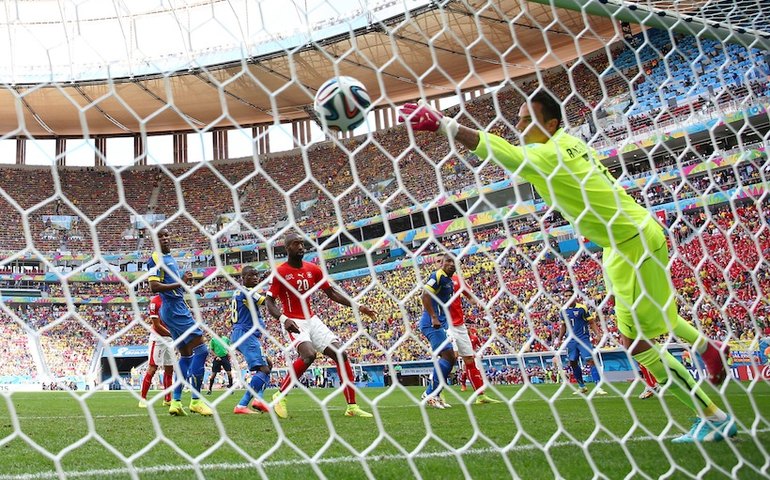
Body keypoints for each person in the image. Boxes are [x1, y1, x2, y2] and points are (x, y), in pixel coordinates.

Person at [399, 91, 734, 443]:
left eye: (527, 120)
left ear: (551, 125)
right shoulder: (569, 143)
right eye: (519, 118)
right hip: (620, 242)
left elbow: (501, 151)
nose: (518, 125)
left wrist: (445, 125)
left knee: (636, 341)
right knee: (643, 328)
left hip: (632, 242)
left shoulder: (547, 152)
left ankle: (711, 409)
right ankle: (706, 360)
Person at [265, 231, 377, 419]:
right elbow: (269, 303)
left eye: (302, 243)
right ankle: (280, 395)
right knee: (309, 355)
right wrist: (284, 320)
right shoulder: (280, 272)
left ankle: (352, 406)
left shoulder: (313, 269)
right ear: (287, 248)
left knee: (341, 354)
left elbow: (331, 293)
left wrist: (358, 306)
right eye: (295, 244)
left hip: (312, 319)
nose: (301, 247)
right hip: (294, 321)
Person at [146, 228, 213, 416]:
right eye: (160, 236)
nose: (165, 238)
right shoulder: (155, 259)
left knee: (186, 356)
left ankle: (175, 401)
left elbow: (175, 287)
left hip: (174, 308)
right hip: (174, 310)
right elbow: (154, 287)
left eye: (167, 235)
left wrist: (190, 289)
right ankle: (196, 400)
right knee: (202, 350)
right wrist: (182, 283)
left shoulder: (170, 259)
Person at [448, 271, 501, 404]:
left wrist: (477, 303)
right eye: (439, 261)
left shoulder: (458, 280)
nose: (444, 264)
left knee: (469, 359)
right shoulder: (435, 280)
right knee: (448, 358)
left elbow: (470, 297)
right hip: (445, 325)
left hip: (459, 325)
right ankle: (437, 394)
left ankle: (480, 396)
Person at [230, 266, 272, 415]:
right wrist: (272, 283)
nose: (255, 278)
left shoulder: (238, 292)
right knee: (264, 369)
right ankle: (242, 405)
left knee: (268, 364)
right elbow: (265, 301)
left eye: (256, 275)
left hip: (241, 333)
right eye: (251, 275)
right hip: (245, 334)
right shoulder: (248, 291)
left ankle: (259, 400)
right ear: (243, 277)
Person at [419, 254, 458, 409]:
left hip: (441, 323)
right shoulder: (438, 276)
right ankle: (431, 394)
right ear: (441, 263)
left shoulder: (449, 281)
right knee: (447, 356)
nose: (451, 264)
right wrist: (434, 317)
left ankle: (434, 393)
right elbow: (425, 295)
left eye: (453, 262)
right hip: (431, 323)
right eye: (448, 261)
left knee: (451, 358)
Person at [555, 294, 607, 396]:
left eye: (570, 295)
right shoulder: (563, 311)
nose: (568, 297)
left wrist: (598, 334)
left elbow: (591, 322)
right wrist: (560, 338)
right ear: (564, 298)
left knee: (591, 360)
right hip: (570, 341)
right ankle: (582, 387)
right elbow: (563, 325)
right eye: (566, 296)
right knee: (573, 362)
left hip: (583, 339)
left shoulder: (582, 308)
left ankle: (598, 386)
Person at [138, 295, 175, 408]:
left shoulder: (173, 298)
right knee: (153, 367)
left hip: (170, 339)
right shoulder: (155, 301)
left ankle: (167, 399)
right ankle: (143, 399)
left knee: (169, 368)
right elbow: (156, 325)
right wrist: (172, 333)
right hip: (158, 338)